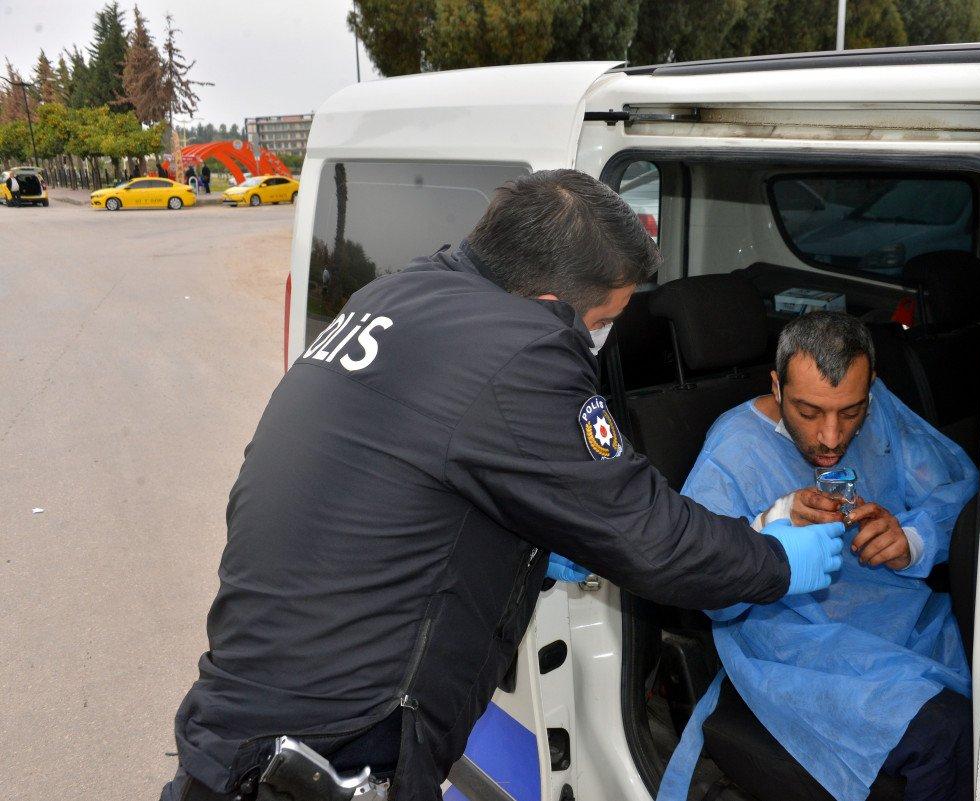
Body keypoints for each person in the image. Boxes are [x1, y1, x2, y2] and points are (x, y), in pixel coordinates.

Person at [161, 169, 845, 801]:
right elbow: (651, 536)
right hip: (335, 753)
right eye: (602, 322)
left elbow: (413, 485)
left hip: (240, 728)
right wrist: (779, 560)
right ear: (549, 301)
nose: (602, 338)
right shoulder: (522, 349)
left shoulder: (393, 295)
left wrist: (531, 547)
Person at [658, 312, 978, 801]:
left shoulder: (879, 410)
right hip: (797, 645)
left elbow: (960, 489)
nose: (831, 437)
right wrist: (769, 529)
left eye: (850, 412)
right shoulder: (734, 450)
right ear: (777, 386)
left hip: (901, 619)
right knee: (946, 734)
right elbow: (699, 581)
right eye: (809, 413)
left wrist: (912, 539)